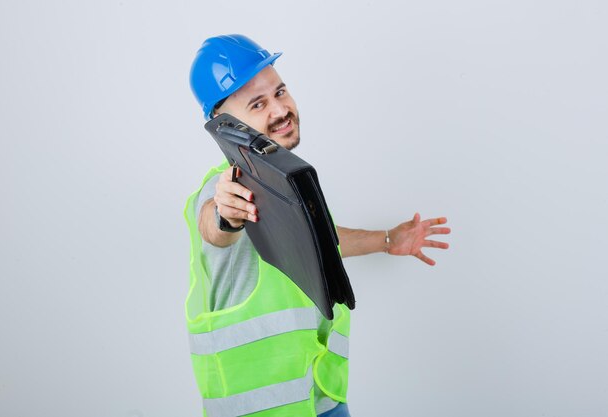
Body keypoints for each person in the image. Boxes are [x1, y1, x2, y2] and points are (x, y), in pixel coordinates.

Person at [184, 34, 451, 417]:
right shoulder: (222, 188)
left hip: (319, 395)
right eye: (258, 103)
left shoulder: (281, 184)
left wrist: (388, 240)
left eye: (280, 92)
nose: (280, 109)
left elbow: (318, 240)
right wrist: (226, 214)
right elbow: (215, 226)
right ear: (223, 124)